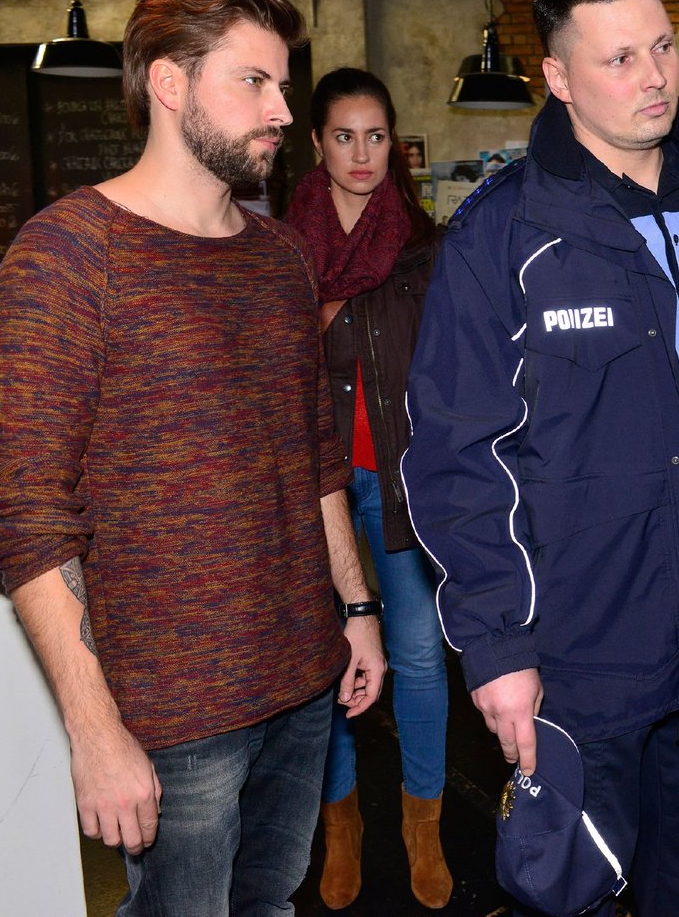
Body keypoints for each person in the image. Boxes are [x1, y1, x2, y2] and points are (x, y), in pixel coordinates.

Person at [0, 0, 386, 916]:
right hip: (175, 706)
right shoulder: (68, 255)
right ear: (168, 82)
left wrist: (356, 606)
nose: (283, 111)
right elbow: (24, 511)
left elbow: (315, 455)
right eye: (254, 82)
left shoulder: (282, 257)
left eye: (283, 85)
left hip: (304, 677)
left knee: (270, 902)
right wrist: (92, 726)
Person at [401, 0, 679, 915]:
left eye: (661, 47)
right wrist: (497, 648)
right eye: (620, 58)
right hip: (577, 653)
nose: (654, 76)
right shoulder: (503, 237)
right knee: (569, 897)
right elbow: (457, 459)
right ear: (560, 77)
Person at [285, 68, 449, 910]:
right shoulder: (281, 250)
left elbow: (451, 367)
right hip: (312, 484)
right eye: (344, 136)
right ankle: (340, 822)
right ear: (316, 143)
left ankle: (424, 823)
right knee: (326, 659)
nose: (361, 154)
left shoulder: (424, 246)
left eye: (376, 136)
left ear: (395, 144)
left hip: (399, 476)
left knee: (418, 654)